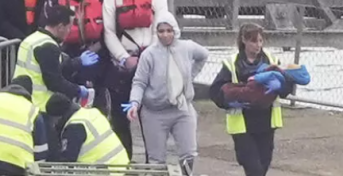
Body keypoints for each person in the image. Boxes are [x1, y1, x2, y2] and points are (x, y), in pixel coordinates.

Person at [101, 0, 169, 158]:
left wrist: (151, 55)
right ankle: (124, 162)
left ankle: (154, 163)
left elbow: (163, 27)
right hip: (123, 66)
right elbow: (109, 32)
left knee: (150, 118)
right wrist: (123, 57)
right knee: (121, 118)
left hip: (150, 63)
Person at [208, 23, 296, 176]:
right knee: (254, 169)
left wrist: (280, 86)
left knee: (263, 166)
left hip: (266, 123)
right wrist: (231, 99)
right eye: (254, 41)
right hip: (243, 125)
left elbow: (288, 87)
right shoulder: (232, 63)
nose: (258, 45)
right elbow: (215, 91)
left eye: (261, 41)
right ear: (244, 40)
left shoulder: (272, 60)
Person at [127, 12, 209, 175]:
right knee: (156, 159)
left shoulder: (187, 47)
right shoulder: (149, 54)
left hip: (182, 109)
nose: (165, 35)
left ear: (175, 31)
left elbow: (203, 55)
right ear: (156, 33)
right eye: (161, 31)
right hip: (154, 112)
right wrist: (134, 103)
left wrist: (189, 78)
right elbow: (139, 82)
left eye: (169, 30)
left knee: (189, 153)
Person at [43, 0, 106, 111]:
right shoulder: (57, 2)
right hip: (66, 50)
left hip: (92, 49)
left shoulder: (97, 0)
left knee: (94, 87)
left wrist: (97, 47)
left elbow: (105, 29)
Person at [13, 5, 99, 111]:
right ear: (60, 27)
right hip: (40, 105)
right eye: (69, 27)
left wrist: (77, 62)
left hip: (21, 100)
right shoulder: (48, 46)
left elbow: (51, 66)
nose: (69, 31)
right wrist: (78, 90)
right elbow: (55, 82)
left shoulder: (31, 39)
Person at [55, 103, 130, 165]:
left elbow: (68, 160)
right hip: (121, 164)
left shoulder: (75, 126)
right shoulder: (93, 112)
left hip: (104, 171)